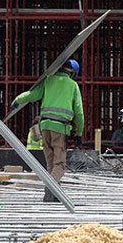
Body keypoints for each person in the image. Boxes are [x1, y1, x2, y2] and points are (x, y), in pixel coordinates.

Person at [12, 59, 84, 202]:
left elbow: (31, 95)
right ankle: (51, 188)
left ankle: (53, 195)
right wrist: (79, 133)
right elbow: (79, 112)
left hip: (44, 127)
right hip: (60, 128)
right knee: (60, 164)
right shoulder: (72, 85)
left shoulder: (48, 80)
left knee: (51, 163)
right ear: (73, 74)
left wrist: (17, 100)